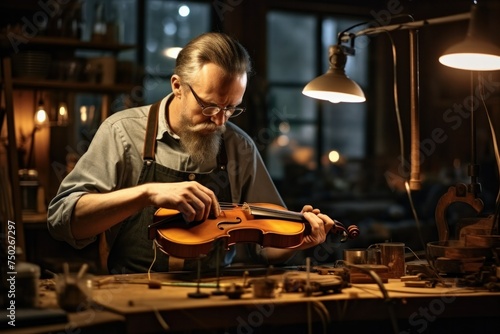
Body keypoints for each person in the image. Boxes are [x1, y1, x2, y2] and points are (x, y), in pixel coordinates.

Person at [47, 32, 336, 274]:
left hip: (216, 300)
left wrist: (300, 240)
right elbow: (63, 221)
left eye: (231, 108)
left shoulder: (240, 147)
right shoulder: (122, 133)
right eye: (210, 106)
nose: (221, 121)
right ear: (178, 87)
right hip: (133, 297)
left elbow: (265, 245)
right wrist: (146, 194)